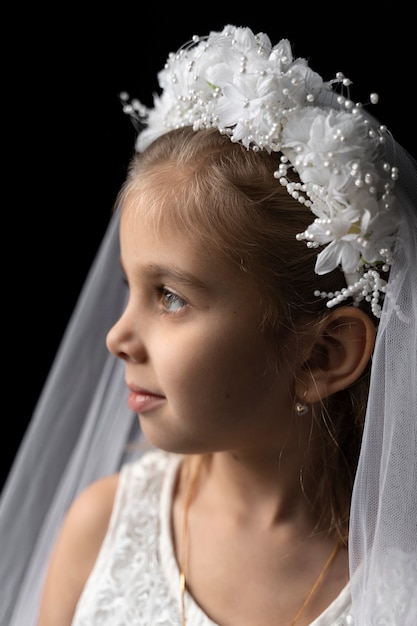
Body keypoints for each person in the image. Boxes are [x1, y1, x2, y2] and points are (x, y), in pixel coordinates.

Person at [2, 24, 416, 626]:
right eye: (130, 290)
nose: (117, 338)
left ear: (321, 356)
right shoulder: (100, 532)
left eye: (169, 297)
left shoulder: (398, 591)